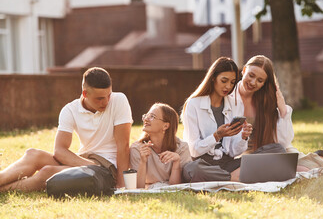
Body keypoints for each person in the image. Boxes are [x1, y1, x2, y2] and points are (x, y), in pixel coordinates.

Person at [0, 67, 133, 192]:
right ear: (85, 93)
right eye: (99, 98)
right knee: (32, 154)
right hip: (84, 162)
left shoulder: (119, 100)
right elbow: (60, 150)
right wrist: (88, 164)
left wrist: (121, 185)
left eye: (108, 95)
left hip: (107, 168)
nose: (106, 101)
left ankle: (3, 190)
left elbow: (123, 146)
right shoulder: (70, 110)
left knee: (47, 172)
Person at [230, 55, 323, 170]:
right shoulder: (229, 97)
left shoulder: (265, 102)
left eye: (260, 80)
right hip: (239, 155)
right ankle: (315, 158)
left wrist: (283, 110)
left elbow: (282, 142)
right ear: (244, 70)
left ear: (264, 83)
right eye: (251, 75)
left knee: (302, 169)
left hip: (267, 153)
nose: (253, 82)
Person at [181, 57, 253, 183]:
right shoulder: (193, 104)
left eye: (232, 82)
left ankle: (225, 177)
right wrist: (216, 136)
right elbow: (193, 150)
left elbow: (233, 152)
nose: (228, 86)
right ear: (213, 77)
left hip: (226, 163)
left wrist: (243, 137)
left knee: (254, 161)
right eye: (224, 81)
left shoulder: (236, 104)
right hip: (201, 163)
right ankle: (232, 178)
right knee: (194, 170)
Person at [129, 103, 191, 189]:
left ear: (165, 126)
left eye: (152, 117)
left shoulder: (182, 148)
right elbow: (139, 188)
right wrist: (143, 162)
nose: (146, 119)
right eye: (146, 115)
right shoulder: (137, 148)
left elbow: (176, 188)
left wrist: (176, 162)